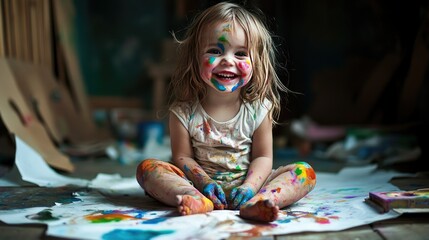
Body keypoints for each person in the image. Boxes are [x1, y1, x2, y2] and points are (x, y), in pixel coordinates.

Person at [136, 1, 316, 222]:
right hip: (199, 186)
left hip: (252, 186)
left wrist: (250, 187)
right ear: (195, 58)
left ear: (256, 61)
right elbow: (182, 156)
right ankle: (195, 200)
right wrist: (203, 184)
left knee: (304, 172)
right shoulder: (183, 112)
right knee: (148, 169)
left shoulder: (259, 110)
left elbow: (263, 156)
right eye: (215, 51)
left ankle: (257, 204)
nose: (228, 61)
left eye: (241, 54)